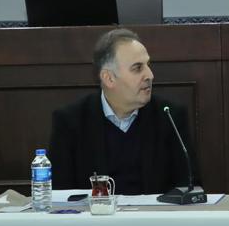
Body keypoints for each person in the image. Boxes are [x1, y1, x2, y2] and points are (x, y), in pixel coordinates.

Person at [49, 28, 199, 194]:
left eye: (148, 65)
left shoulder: (169, 116)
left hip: (154, 211)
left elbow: (189, 186)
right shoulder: (70, 122)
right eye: (137, 68)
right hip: (96, 211)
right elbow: (59, 194)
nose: (150, 75)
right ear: (109, 78)